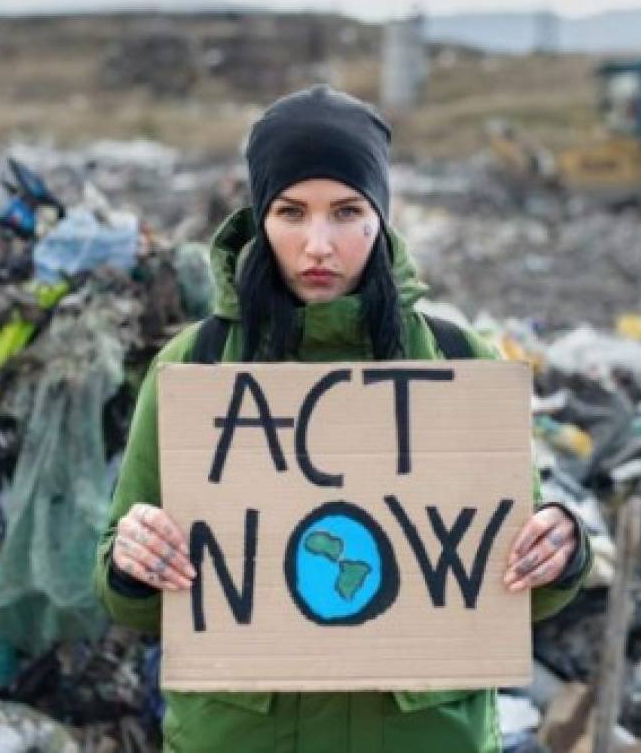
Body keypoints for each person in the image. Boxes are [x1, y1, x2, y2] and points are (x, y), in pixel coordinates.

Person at [93, 85, 592, 753]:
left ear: (380, 218)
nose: (318, 244)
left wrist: (559, 550)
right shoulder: (197, 366)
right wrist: (132, 558)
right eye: (292, 213)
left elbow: (514, 582)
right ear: (260, 217)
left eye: (347, 211)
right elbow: (130, 599)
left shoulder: (455, 360)